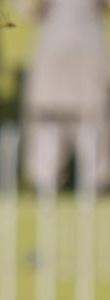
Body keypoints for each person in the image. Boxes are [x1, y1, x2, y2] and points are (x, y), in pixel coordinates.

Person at [22, 0, 110, 192]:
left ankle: (96, 182)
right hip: (52, 48)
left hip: (88, 49)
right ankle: (43, 180)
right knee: (47, 117)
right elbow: (25, 7)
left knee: (91, 117)